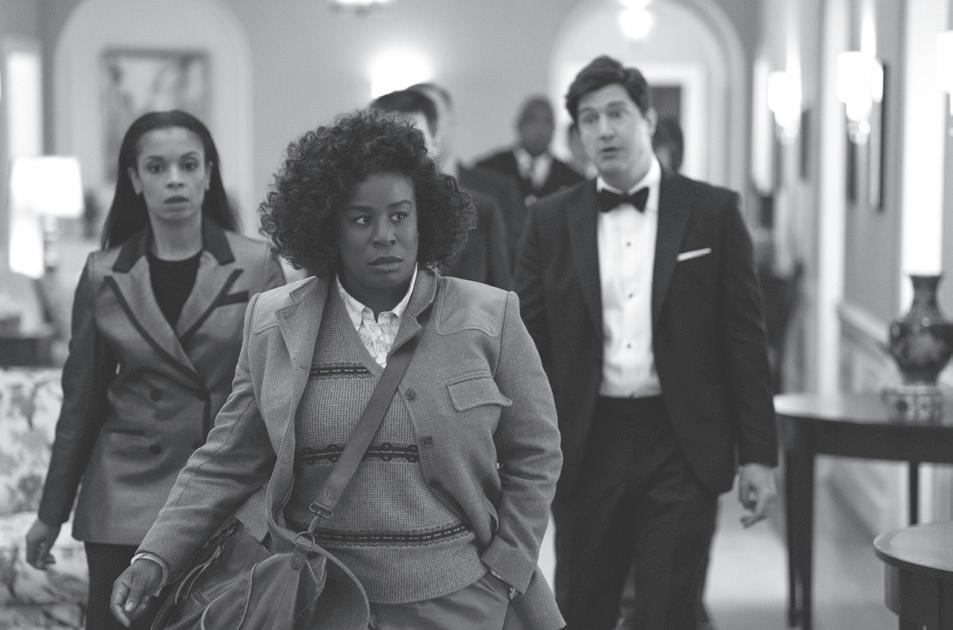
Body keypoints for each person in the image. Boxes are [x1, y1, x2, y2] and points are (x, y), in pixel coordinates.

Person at [110, 109, 564, 630]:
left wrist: (507, 565)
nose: (385, 235)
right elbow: (226, 460)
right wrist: (155, 555)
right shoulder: (275, 323)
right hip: (321, 600)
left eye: (400, 216)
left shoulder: (491, 316)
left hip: (459, 600)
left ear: (424, 219)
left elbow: (536, 451)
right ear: (328, 226)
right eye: (361, 219)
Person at [514, 55, 778, 630]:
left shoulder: (712, 212)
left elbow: (744, 339)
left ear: (648, 120)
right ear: (578, 134)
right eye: (589, 119)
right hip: (586, 442)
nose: (604, 130)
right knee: (582, 607)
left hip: (681, 441)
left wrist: (758, 455)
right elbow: (527, 347)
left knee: (669, 612)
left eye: (617, 113)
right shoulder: (550, 221)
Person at [23, 110, 285, 630]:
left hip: (218, 486)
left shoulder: (257, 265)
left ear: (208, 174)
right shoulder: (103, 273)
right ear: (135, 179)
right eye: (157, 167)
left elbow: (279, 392)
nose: (174, 180)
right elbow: (81, 402)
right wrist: (50, 514)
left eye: (188, 165)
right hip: (123, 492)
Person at [371, 88, 512, 289]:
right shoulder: (350, 214)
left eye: (414, 140)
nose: (402, 152)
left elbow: (501, 296)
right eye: (388, 141)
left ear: (435, 142)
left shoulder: (480, 211)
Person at [408, 82, 527, 270]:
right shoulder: (395, 196)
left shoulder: (497, 190)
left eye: (432, 114)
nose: (424, 129)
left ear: (450, 120)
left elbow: (514, 265)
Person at [475, 94, 583, 207]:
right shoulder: (488, 170)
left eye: (547, 121)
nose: (540, 128)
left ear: (554, 128)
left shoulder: (573, 181)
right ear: (519, 125)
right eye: (532, 119)